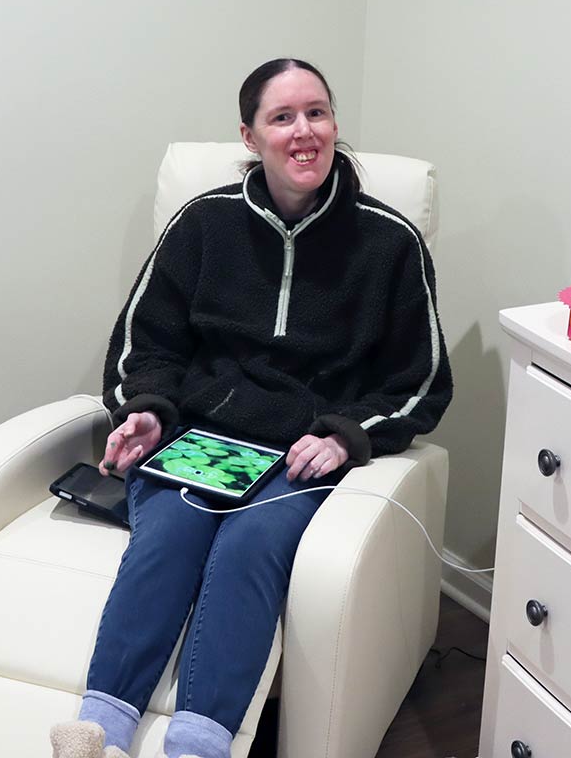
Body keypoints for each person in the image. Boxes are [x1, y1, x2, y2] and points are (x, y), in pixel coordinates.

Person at [50, 58, 453, 758]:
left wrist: (346, 435)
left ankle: (198, 746)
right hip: (199, 438)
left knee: (248, 548)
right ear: (250, 135)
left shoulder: (390, 243)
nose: (305, 132)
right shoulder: (202, 223)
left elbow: (419, 382)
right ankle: (98, 732)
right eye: (283, 117)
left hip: (299, 454)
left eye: (317, 113)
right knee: (169, 537)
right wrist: (146, 410)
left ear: (335, 124)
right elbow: (145, 343)